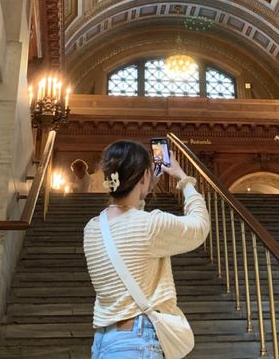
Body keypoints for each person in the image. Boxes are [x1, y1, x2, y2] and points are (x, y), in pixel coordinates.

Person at [83, 140, 210, 359]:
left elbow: (130, 223)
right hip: (137, 340)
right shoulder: (150, 225)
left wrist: (143, 186)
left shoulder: (92, 227)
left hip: (104, 340)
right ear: (143, 177)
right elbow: (199, 227)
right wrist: (184, 179)